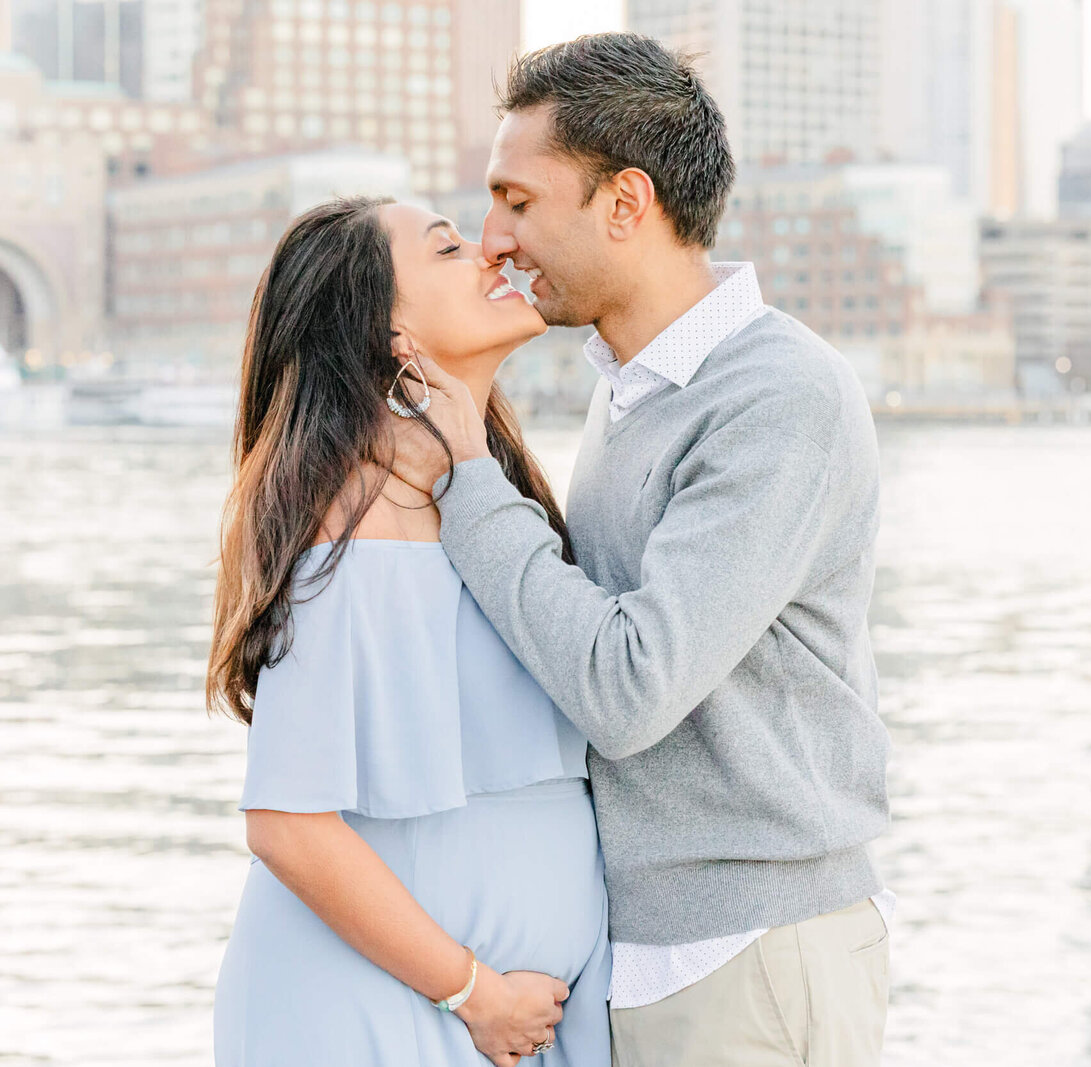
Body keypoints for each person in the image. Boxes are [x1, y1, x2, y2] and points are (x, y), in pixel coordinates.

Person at [390, 33, 893, 1067]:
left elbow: (629, 685)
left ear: (626, 203)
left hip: (745, 950)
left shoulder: (777, 395)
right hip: (655, 945)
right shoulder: (630, 389)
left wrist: (467, 474)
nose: (494, 238)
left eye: (519, 202)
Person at [207, 196, 610, 1066]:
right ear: (387, 327)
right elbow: (287, 821)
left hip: (504, 1019)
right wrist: (474, 990)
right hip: (381, 1011)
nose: (490, 255)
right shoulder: (355, 512)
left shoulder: (489, 491)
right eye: (448, 248)